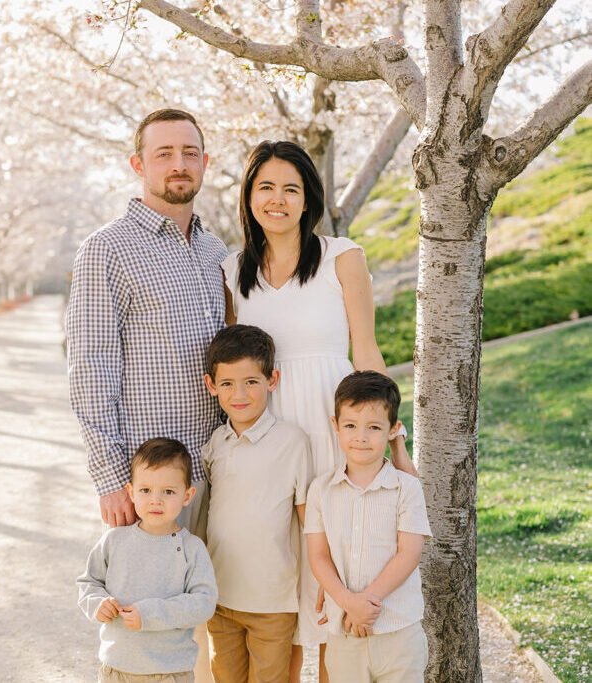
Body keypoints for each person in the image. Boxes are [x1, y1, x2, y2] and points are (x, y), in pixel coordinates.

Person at [221, 140, 416, 680]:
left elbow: (367, 353)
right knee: (282, 574)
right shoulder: (232, 269)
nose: (278, 199)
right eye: (266, 187)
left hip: (332, 427)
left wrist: (392, 436)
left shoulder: (341, 256)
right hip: (269, 434)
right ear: (249, 197)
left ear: (309, 199)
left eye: (291, 188)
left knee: (336, 563)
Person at [66, 108, 227, 535]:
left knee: (213, 601)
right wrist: (110, 478)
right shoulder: (107, 249)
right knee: (145, 602)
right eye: (164, 154)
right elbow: (90, 366)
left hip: (220, 472)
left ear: (205, 163)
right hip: (151, 484)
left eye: (190, 153)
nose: (179, 165)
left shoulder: (215, 251)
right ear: (138, 165)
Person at [305, 371, 432, 683]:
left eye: (373, 427)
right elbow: (318, 556)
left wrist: (367, 603)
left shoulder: (407, 488)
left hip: (398, 631)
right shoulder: (321, 490)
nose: (360, 436)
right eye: (350, 425)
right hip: (345, 630)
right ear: (335, 426)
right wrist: (350, 604)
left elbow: (409, 554)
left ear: (393, 430)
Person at [202, 325, 312, 683]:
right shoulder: (214, 444)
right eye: (228, 384)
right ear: (211, 385)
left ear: (272, 379)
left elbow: (309, 519)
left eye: (251, 381)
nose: (240, 394)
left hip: (272, 602)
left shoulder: (292, 442)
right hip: (220, 598)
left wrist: (319, 583)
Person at [78, 438, 218, 683]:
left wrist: (150, 614)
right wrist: (98, 604)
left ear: (187, 495)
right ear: (131, 492)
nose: (156, 500)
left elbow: (203, 603)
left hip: (170, 672)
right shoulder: (114, 541)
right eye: (145, 490)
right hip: (116, 669)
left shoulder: (191, 548)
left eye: (168, 491)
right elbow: (89, 583)